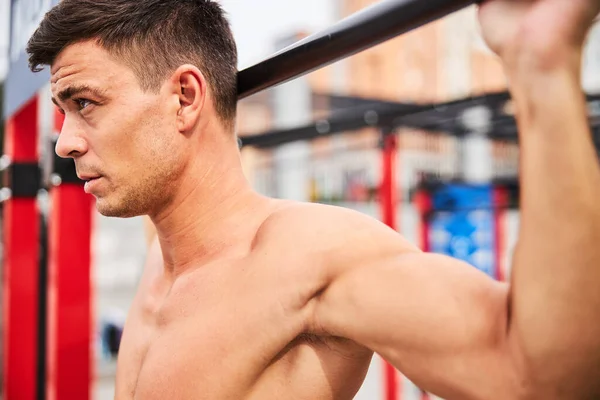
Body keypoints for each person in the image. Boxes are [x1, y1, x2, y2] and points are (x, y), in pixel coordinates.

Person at [27, 0, 600, 398]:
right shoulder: (163, 255)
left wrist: (541, 62)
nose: (66, 142)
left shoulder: (311, 259)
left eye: (86, 104)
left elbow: (539, 379)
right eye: (63, 112)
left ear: (184, 97)